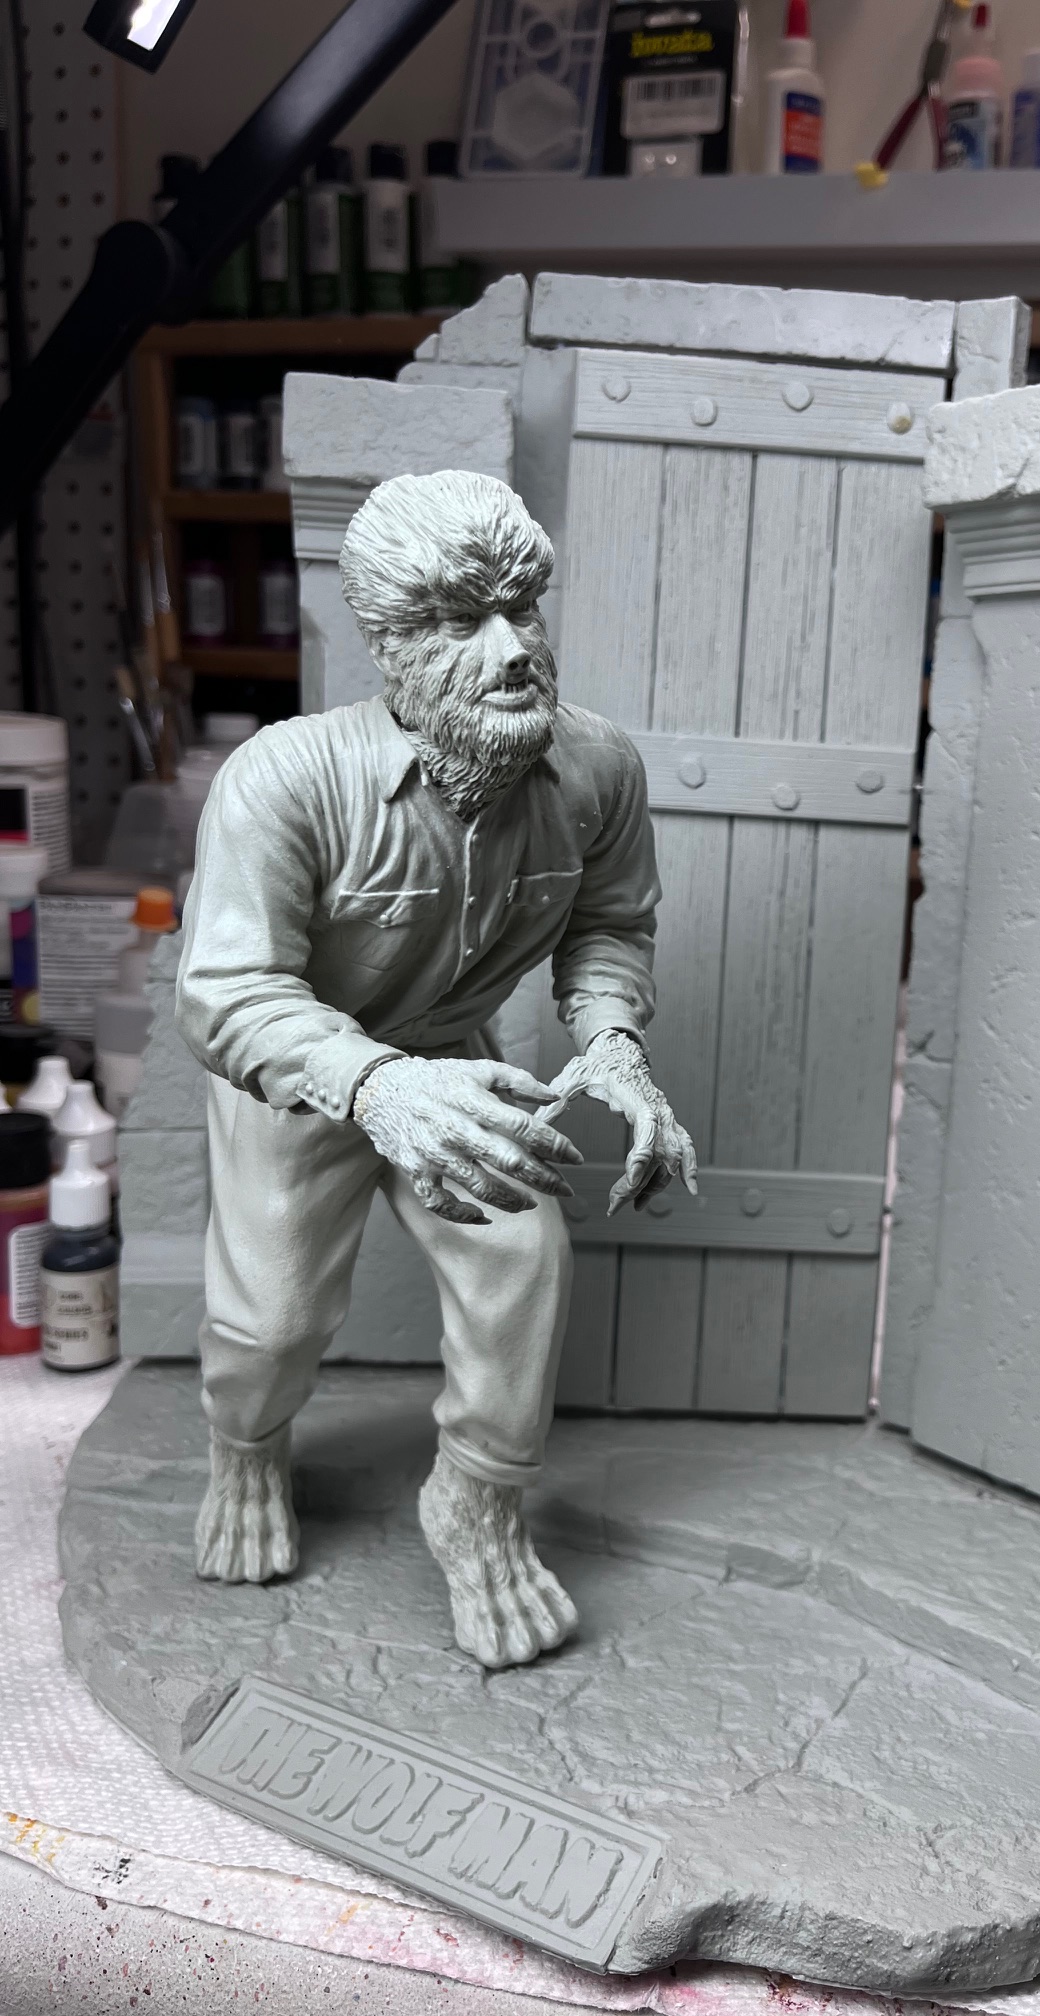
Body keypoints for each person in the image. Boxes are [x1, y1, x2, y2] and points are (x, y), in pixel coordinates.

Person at [176, 469, 696, 1668]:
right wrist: (375, 1088)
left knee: (523, 1263)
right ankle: (246, 1452)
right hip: (300, 1071)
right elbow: (227, 992)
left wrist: (612, 1041)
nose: (512, 650)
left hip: (458, 1066)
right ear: (391, 646)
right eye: (463, 621)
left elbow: (610, 927)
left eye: (523, 610)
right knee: (269, 1326)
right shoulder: (285, 779)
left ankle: (477, 1501)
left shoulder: (599, 771)